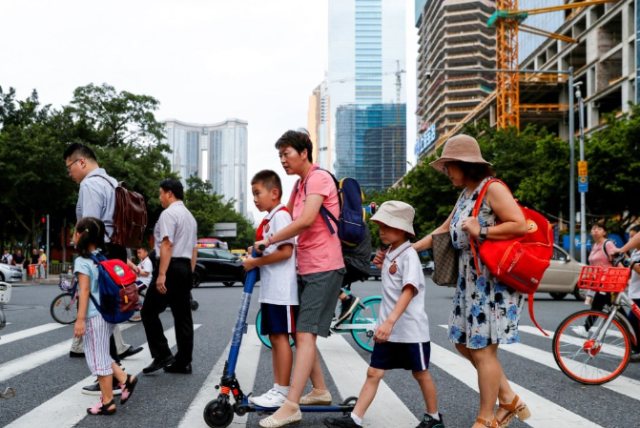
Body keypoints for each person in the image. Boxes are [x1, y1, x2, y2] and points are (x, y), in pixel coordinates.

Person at [411, 135, 529, 428]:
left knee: (482, 350)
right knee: (464, 344)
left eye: (449, 166)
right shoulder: (466, 194)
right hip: (470, 282)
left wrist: (483, 231)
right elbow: (442, 230)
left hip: (492, 284)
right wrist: (405, 251)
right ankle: (509, 400)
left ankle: (486, 418)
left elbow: (519, 224)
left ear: (464, 165)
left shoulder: (493, 188)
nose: (446, 172)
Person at [253, 130, 346, 428]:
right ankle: (319, 390)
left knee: (305, 334)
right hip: (305, 268)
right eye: (280, 155)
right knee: (299, 333)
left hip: (324, 266)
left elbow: (304, 220)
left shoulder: (318, 178)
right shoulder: (300, 185)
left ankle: (290, 404)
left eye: (287, 153)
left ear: (304, 152)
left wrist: (269, 241)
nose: (283, 160)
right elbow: (292, 217)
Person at [324, 201, 444, 428]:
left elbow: (409, 290)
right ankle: (355, 418)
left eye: (387, 226)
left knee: (420, 374)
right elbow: (394, 282)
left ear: (402, 230)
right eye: (380, 225)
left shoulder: (409, 255)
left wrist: (388, 322)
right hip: (388, 330)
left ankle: (434, 418)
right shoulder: (390, 252)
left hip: (410, 330)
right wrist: (383, 266)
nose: (381, 230)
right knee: (374, 372)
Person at [63, 142, 143, 395]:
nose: (70, 174)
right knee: (107, 315)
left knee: (97, 315)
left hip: (100, 253)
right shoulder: (113, 182)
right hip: (116, 253)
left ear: (81, 162)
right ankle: (115, 374)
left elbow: (89, 227)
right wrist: (125, 259)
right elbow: (121, 226)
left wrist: (84, 256)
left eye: (69, 167)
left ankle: (110, 380)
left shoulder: (89, 184)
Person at [72, 217, 138, 416]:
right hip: (106, 314)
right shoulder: (102, 257)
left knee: (97, 360)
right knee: (103, 354)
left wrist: (80, 319)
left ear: (81, 235)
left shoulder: (82, 262)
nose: (73, 236)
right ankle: (126, 379)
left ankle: (108, 402)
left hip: (93, 316)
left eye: (75, 232)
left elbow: (84, 292)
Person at [243, 170, 298, 408]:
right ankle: (278, 389)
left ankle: (282, 392)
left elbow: (286, 251)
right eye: (253, 194)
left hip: (282, 291)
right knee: (275, 338)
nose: (254, 198)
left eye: (258, 193)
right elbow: (271, 249)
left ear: (274, 193)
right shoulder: (270, 219)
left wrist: (255, 262)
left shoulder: (281, 217)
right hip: (272, 290)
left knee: (280, 338)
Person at [141, 178, 198, 375]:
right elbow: (194, 249)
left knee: (148, 311)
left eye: (160, 193)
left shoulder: (168, 214)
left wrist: (162, 274)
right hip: (184, 268)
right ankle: (184, 362)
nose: (159, 198)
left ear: (169, 193)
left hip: (170, 267)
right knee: (183, 317)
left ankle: (162, 353)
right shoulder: (190, 217)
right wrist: (189, 272)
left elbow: (167, 244)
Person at [572, 222, 619, 338]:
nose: (596, 230)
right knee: (615, 309)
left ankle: (586, 328)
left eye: (599, 228)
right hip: (599, 282)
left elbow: (618, 262)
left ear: (604, 232)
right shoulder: (595, 246)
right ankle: (631, 329)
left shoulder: (608, 244)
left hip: (607, 281)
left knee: (598, 305)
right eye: (593, 229)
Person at [623, 225, 640, 362]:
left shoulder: (635, 255)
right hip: (634, 292)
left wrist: (631, 262)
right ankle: (636, 348)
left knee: (632, 321)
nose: (631, 240)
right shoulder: (635, 252)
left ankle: (636, 349)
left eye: (633, 237)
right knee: (633, 322)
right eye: (629, 236)